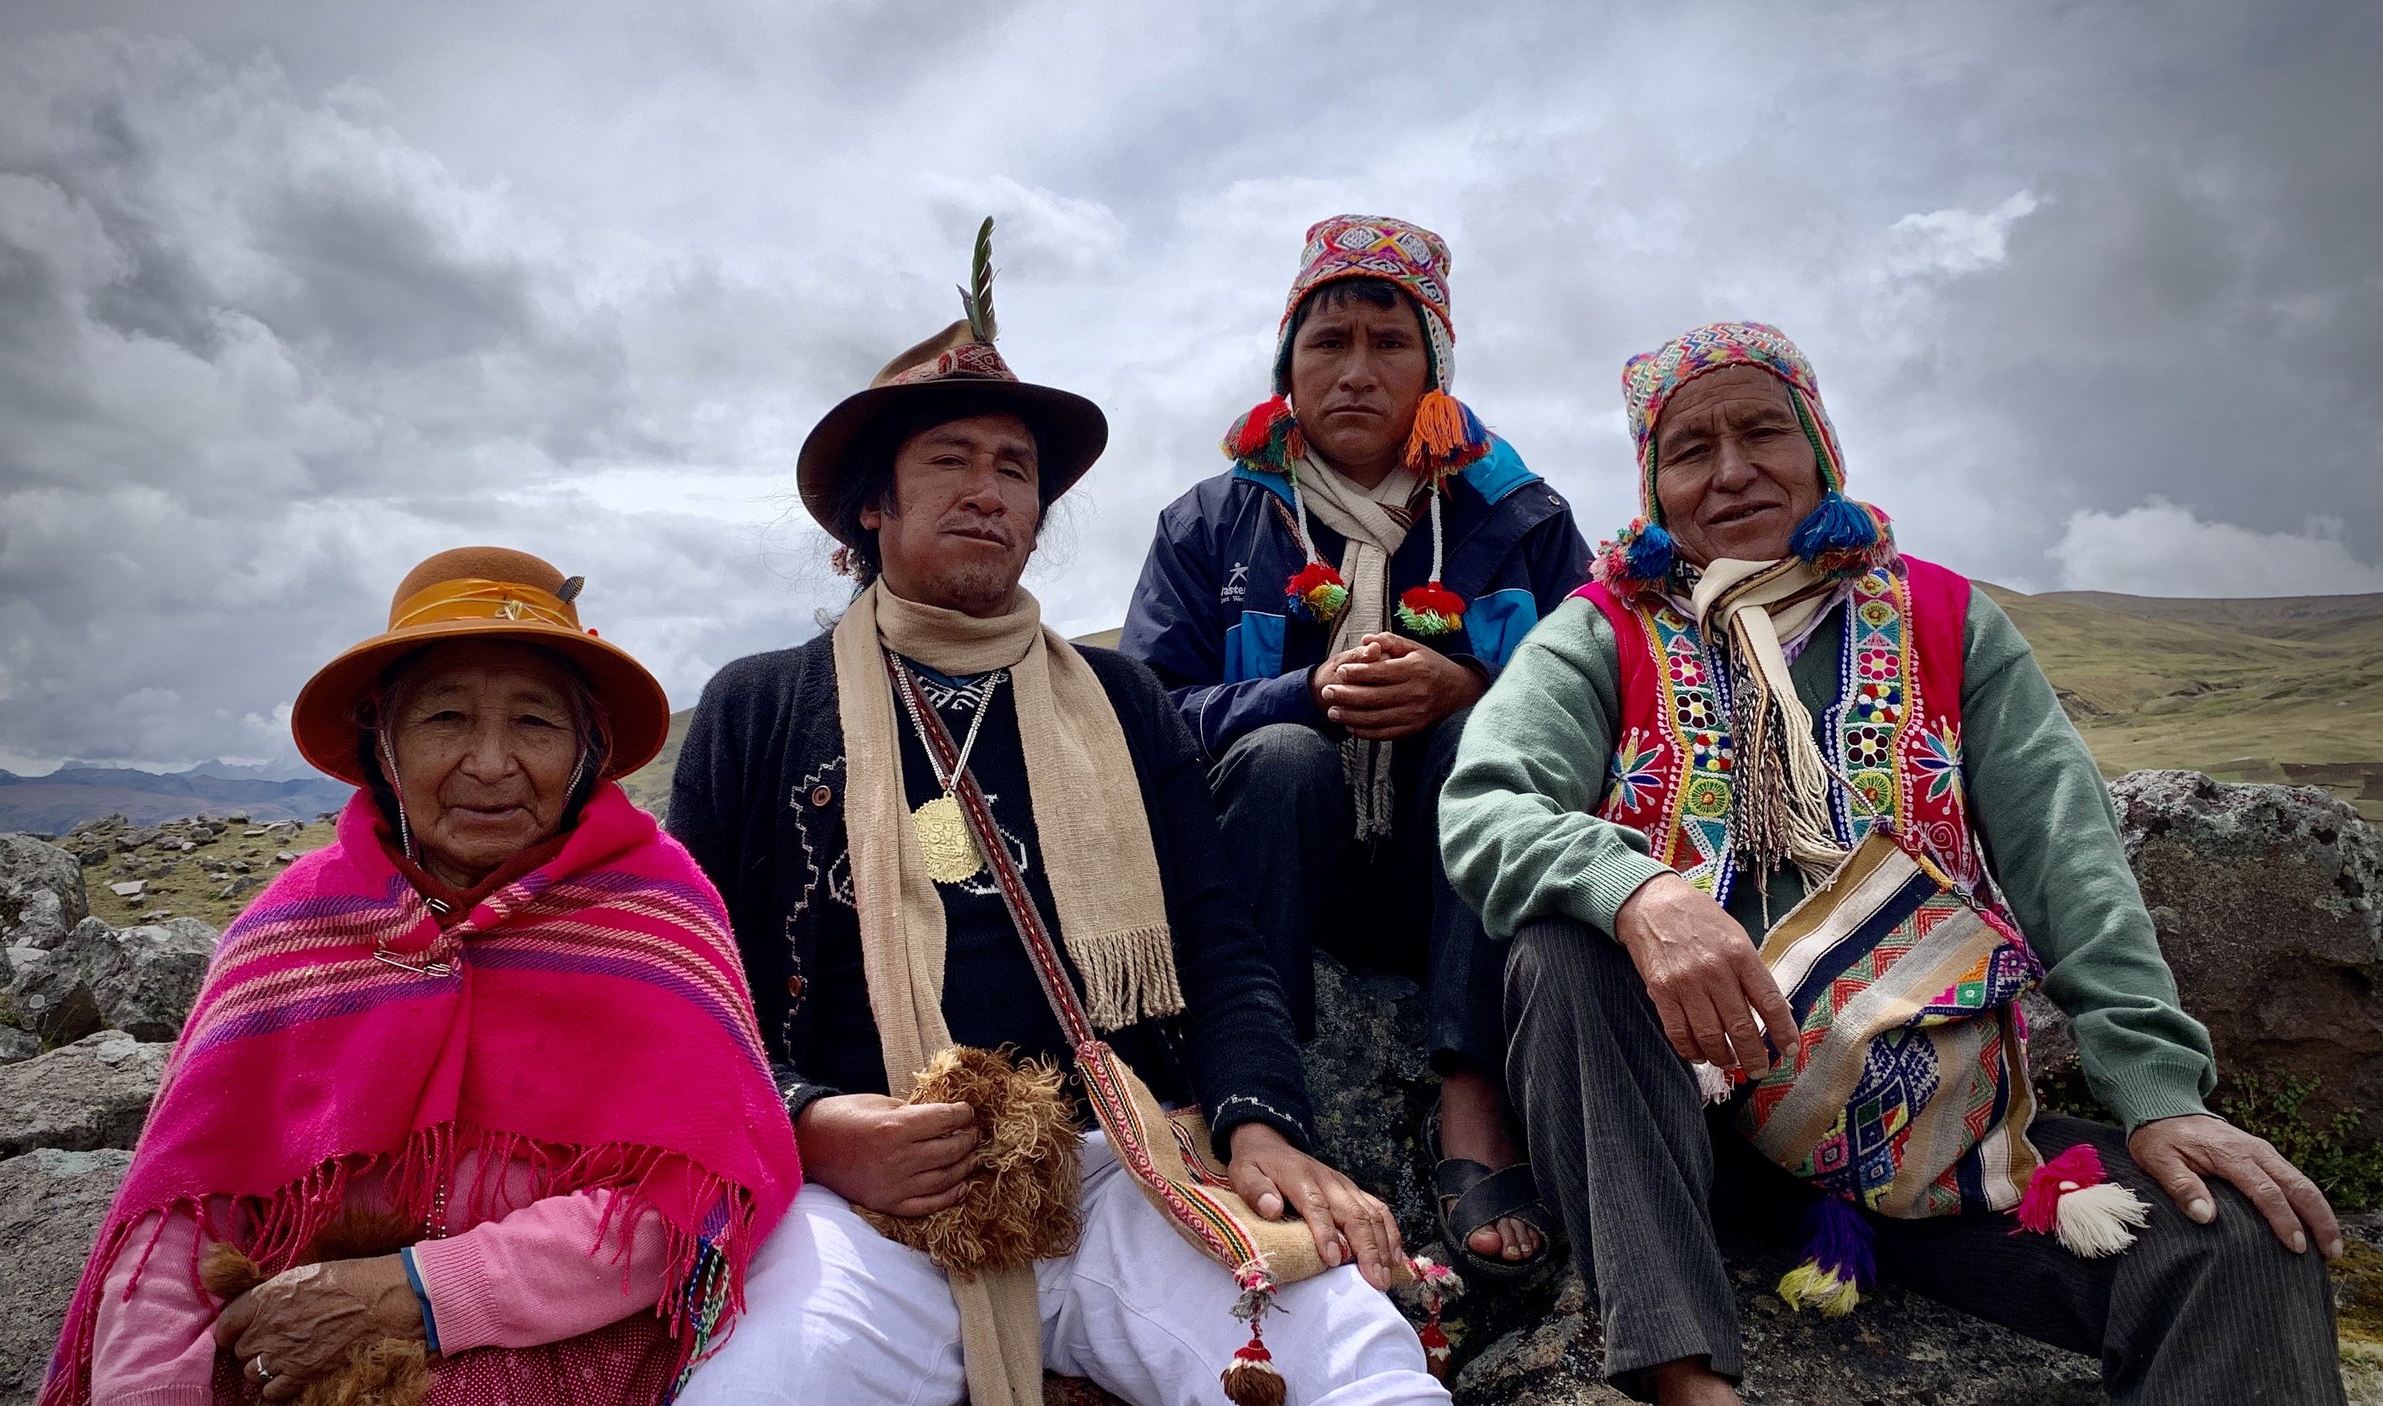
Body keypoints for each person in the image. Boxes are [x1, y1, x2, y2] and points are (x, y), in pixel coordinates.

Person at [1440, 321, 2346, 1405]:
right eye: (1690, 450)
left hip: (1929, 1140)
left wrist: (2159, 1094)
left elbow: (2069, 860)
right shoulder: (1602, 632)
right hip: (1680, 1144)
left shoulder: (1946, 621)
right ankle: (1685, 1373)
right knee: (1562, 947)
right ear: (1653, 486)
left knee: (2236, 1238)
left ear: (1819, 445)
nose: (1730, 471)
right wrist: (1639, 890)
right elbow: (1485, 806)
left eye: (1762, 432)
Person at [666, 223, 1447, 1406]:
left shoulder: (1124, 701)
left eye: (1015, 469)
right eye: (948, 461)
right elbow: (690, 987)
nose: (988, 491)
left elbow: (1218, 940)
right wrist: (811, 1121)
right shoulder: (759, 705)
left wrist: (1256, 1121)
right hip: (859, 1201)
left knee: (1353, 1361)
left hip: (1115, 1165)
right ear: (871, 505)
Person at [41, 546, 801, 1406]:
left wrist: (420, 1290)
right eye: (445, 718)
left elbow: (693, 1199)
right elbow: (185, 1215)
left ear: (587, 750)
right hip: (285, 1344)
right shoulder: (288, 932)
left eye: (535, 723)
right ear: (385, 744)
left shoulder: (660, 918)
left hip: (561, 1355)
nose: (491, 763)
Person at [1120, 214, 1590, 1280]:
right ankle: (1254, 1093)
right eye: (1327, 342)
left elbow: (1602, 701)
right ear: (1286, 368)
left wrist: (1471, 685)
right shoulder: (1211, 523)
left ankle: (1474, 1097)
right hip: (1276, 871)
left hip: (1448, 882)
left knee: (1481, 736)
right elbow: (1145, 714)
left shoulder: (1520, 520)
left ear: (1436, 370)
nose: (1356, 371)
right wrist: (1303, 695)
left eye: (1390, 342)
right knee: (1283, 754)